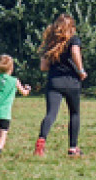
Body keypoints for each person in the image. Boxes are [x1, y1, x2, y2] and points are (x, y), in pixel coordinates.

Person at [36, 14, 87, 157]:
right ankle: (72, 148)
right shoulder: (74, 40)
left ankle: (41, 141)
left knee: (51, 114)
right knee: (74, 113)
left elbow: (43, 67)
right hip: (72, 82)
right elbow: (75, 52)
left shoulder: (50, 43)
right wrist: (81, 70)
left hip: (54, 82)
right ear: (71, 27)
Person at [0, 55, 31, 155]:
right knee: (4, 131)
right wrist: (28, 89)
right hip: (4, 110)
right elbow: (24, 93)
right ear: (11, 68)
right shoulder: (14, 81)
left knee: (1, 126)